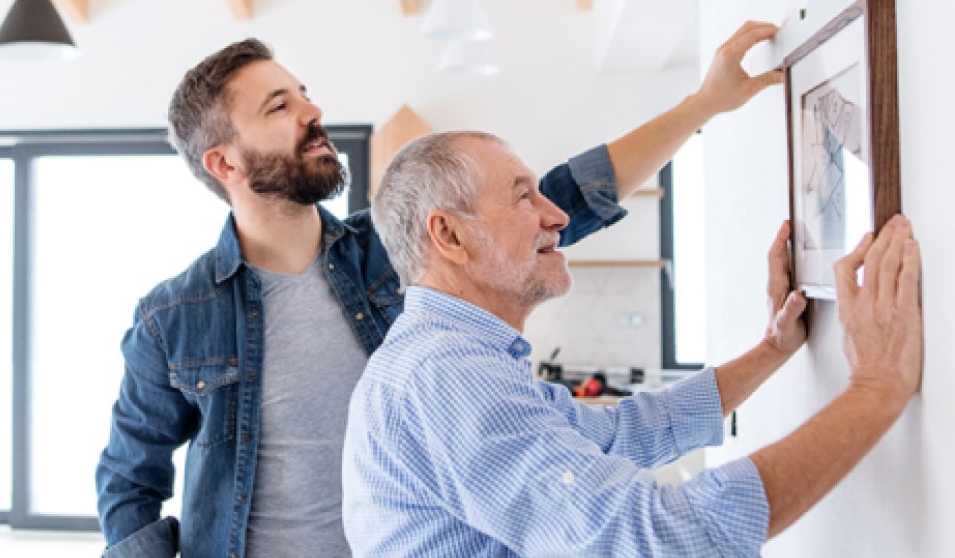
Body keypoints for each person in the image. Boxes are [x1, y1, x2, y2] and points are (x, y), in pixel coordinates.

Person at [96, 21, 784, 558]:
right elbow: (129, 482)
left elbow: (567, 197)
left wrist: (704, 105)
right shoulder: (172, 320)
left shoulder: (386, 253)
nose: (312, 111)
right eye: (281, 105)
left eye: (305, 93)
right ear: (224, 162)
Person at [341, 128, 922, 556]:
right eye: (524, 197)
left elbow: (622, 435)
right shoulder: (447, 375)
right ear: (449, 234)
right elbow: (654, 537)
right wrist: (877, 388)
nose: (557, 217)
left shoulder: (452, 359)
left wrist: (773, 348)